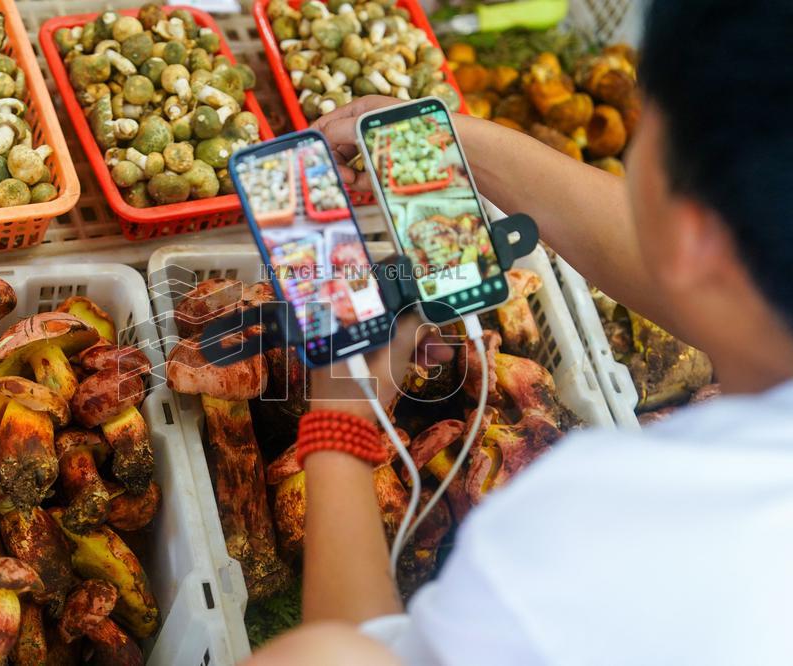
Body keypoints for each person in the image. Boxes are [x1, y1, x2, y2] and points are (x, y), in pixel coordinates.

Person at [246, 0, 793, 664]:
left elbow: (342, 655)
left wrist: (341, 414)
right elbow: (651, 245)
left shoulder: (603, 527)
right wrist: (453, 139)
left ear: (691, 222)